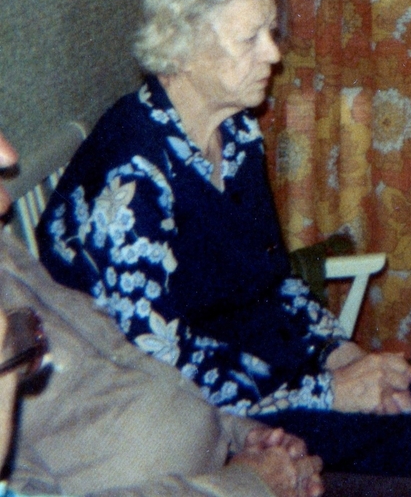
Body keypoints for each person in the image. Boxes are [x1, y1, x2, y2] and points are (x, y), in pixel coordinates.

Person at [36, 0, 411, 495]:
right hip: (211, 411)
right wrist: (329, 392)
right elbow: (159, 363)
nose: (274, 55)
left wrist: (344, 354)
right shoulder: (131, 180)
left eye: (272, 33)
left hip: (276, 367)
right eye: (250, 39)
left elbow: (273, 280)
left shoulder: (235, 132)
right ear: (182, 46)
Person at [0, 127, 324, 497]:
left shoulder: (5, 252)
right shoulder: (134, 169)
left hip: (222, 460)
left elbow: (119, 357)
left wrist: (240, 433)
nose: (10, 156)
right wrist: (251, 483)